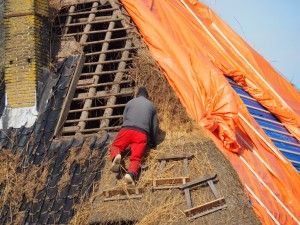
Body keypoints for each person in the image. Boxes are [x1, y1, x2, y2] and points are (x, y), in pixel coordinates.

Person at [110, 86, 158, 185]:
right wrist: (153, 141)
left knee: (116, 146)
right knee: (136, 157)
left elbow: (124, 118)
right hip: (141, 133)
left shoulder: (130, 102)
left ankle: (116, 155)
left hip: (127, 129)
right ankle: (130, 174)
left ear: (137, 95)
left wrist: (125, 131)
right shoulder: (151, 105)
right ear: (147, 96)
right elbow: (154, 126)